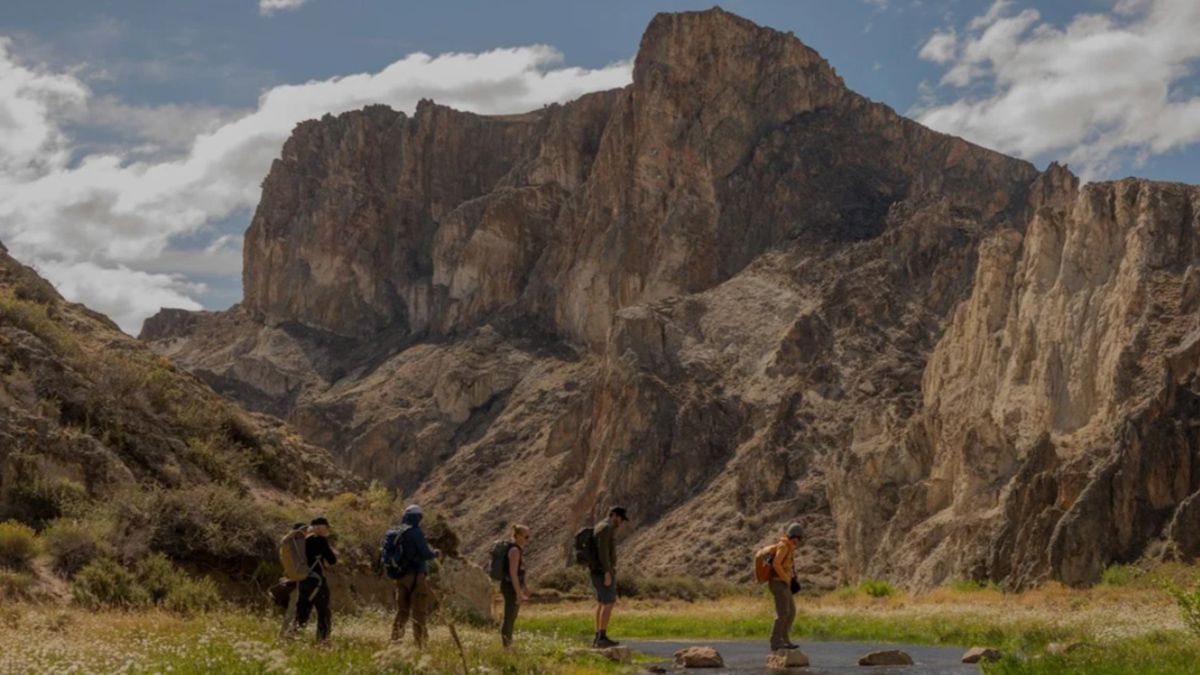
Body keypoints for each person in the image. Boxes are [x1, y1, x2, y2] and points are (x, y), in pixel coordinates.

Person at [391, 504, 442, 646]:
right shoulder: (416, 532)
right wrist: (436, 553)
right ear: (418, 517)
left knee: (402, 612)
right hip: (416, 577)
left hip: (400, 577)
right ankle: (421, 644)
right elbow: (425, 554)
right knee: (419, 612)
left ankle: (395, 642)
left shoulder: (396, 531)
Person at [295, 517, 337, 643]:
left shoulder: (302, 540)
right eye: (326, 527)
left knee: (302, 611)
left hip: (302, 580)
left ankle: (294, 638)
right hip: (316, 581)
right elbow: (332, 560)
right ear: (320, 527)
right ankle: (322, 642)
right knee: (324, 612)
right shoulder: (320, 540)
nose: (327, 530)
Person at [591, 506, 628, 648]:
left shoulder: (600, 526)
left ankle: (598, 637)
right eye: (620, 519)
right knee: (609, 603)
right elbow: (603, 552)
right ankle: (602, 637)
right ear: (614, 515)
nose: (621, 522)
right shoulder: (606, 528)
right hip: (603, 571)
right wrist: (607, 572)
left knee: (601, 603)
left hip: (597, 571)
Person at [768, 522, 804, 651]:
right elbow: (776, 564)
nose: (799, 541)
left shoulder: (789, 547)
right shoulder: (783, 546)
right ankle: (775, 642)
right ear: (794, 536)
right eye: (799, 538)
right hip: (778, 583)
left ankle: (785, 640)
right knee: (782, 613)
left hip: (784, 584)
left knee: (791, 612)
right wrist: (785, 577)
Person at [270, 522, 308, 637]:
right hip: (298, 582)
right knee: (294, 611)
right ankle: (285, 635)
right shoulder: (299, 546)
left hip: (289, 580)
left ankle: (287, 633)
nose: (306, 532)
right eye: (305, 529)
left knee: (293, 610)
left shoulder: (288, 545)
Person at [500, 524, 531, 649]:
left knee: (512, 616)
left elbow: (518, 573)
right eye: (526, 536)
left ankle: (508, 643)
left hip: (511, 586)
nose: (527, 539)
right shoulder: (514, 551)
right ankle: (506, 646)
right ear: (517, 536)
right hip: (510, 587)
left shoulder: (516, 549)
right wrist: (518, 593)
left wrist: (525, 588)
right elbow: (513, 574)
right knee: (509, 616)